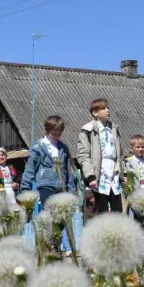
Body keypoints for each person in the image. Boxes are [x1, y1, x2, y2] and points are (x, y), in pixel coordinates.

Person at [20, 115, 77, 254]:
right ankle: (45, 246)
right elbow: (30, 169)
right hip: (46, 186)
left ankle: (52, 244)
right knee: (51, 215)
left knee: (62, 218)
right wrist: (25, 188)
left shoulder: (63, 148)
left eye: (59, 133)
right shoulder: (38, 147)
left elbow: (68, 170)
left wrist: (71, 190)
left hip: (62, 187)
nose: (56, 136)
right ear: (47, 130)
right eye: (53, 133)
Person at [77, 98, 123, 214]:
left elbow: (119, 154)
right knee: (100, 210)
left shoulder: (114, 129)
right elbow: (83, 155)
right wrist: (91, 176)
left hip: (114, 174)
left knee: (117, 210)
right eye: (103, 108)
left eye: (108, 108)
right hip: (99, 175)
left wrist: (121, 174)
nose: (107, 110)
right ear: (95, 113)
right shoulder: (88, 130)